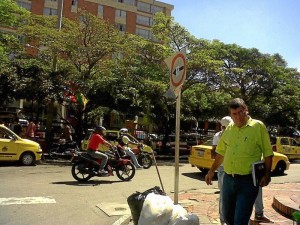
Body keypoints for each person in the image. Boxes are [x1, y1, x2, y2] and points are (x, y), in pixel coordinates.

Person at [205, 98, 274, 225]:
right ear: (231, 114)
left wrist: (267, 174)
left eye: (240, 112)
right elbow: (221, 152)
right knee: (227, 217)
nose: (238, 117)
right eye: (234, 114)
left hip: (247, 182)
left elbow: (268, 153)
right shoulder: (230, 128)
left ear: (246, 110)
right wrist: (211, 171)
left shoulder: (258, 126)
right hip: (228, 180)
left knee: (240, 220)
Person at [211, 116, 233, 225]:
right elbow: (214, 153)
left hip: (231, 168)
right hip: (222, 168)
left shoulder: (233, 133)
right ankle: (223, 219)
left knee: (228, 195)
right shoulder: (218, 135)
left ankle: (226, 218)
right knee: (224, 195)